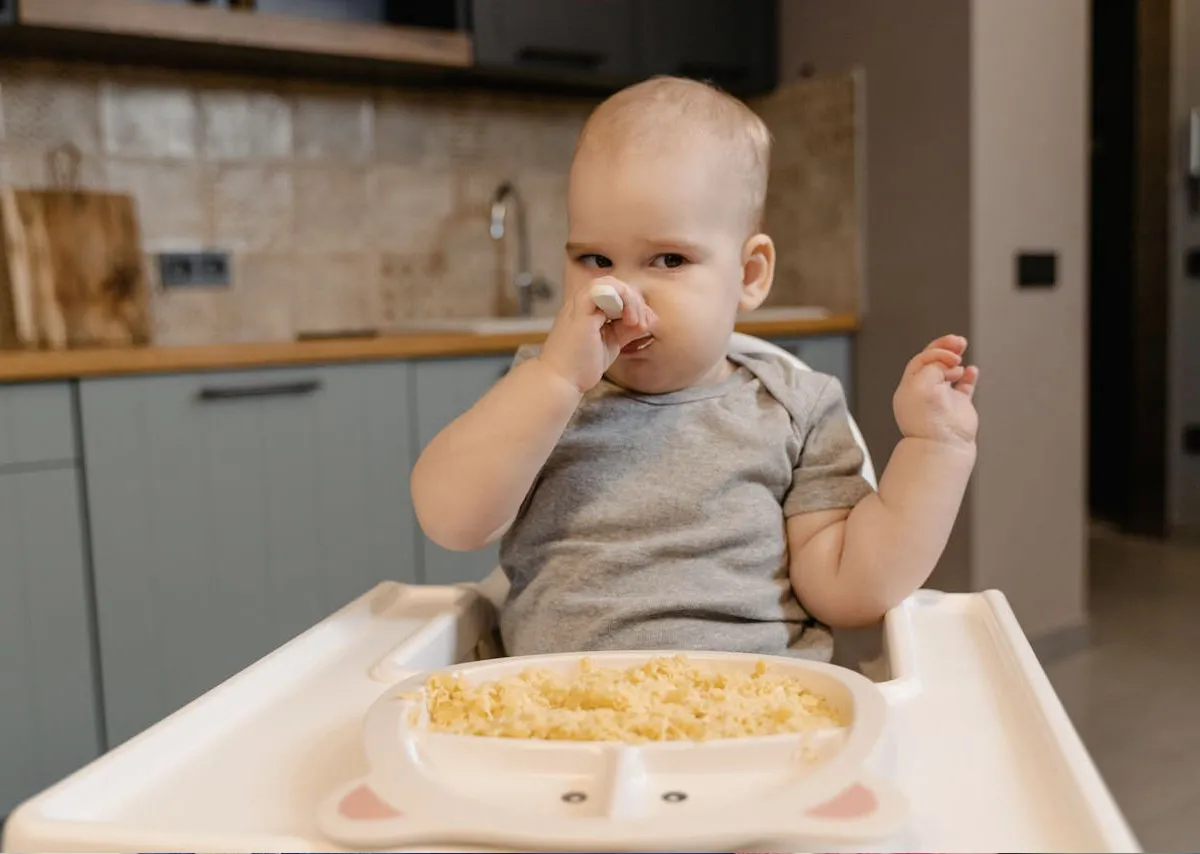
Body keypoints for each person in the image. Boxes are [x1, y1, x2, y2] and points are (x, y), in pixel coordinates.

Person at [411, 76, 979, 661]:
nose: (619, 293)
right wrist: (555, 380)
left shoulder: (794, 408)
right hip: (564, 717)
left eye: (670, 259)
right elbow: (452, 522)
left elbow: (846, 586)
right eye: (595, 259)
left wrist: (935, 450)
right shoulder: (543, 393)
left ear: (750, 274)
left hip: (753, 716)